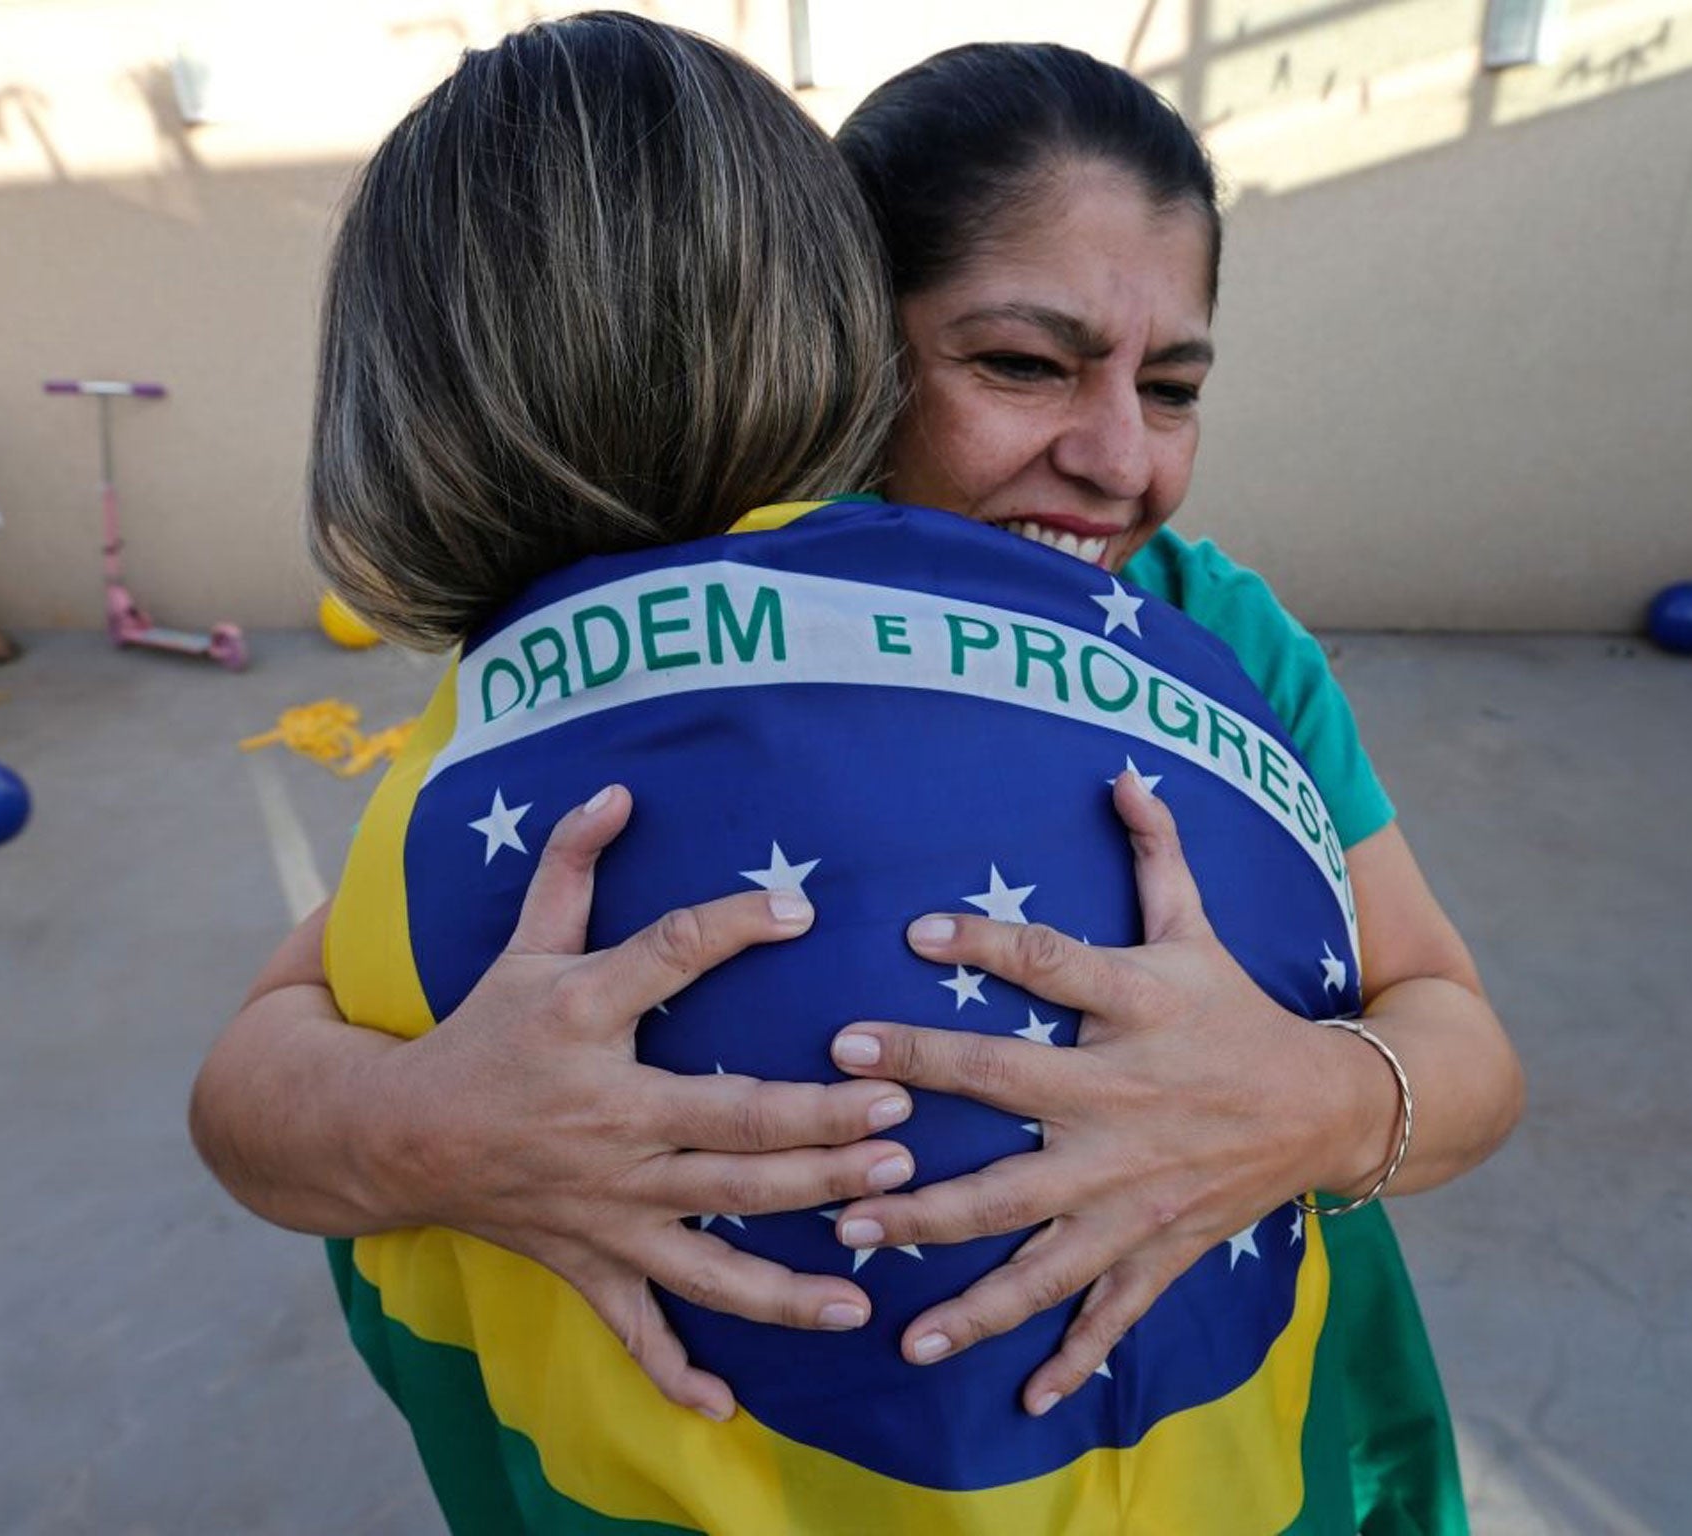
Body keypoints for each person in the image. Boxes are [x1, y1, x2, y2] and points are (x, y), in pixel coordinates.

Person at [190, 21, 1523, 1535]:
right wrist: (431, 1128)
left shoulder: (1222, 635)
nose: (1119, 462)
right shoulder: (650, 652)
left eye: (1174, 387)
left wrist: (1319, 1106)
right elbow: (254, 1095)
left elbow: (1462, 1040)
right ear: (838, 340)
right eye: (1022, 363)